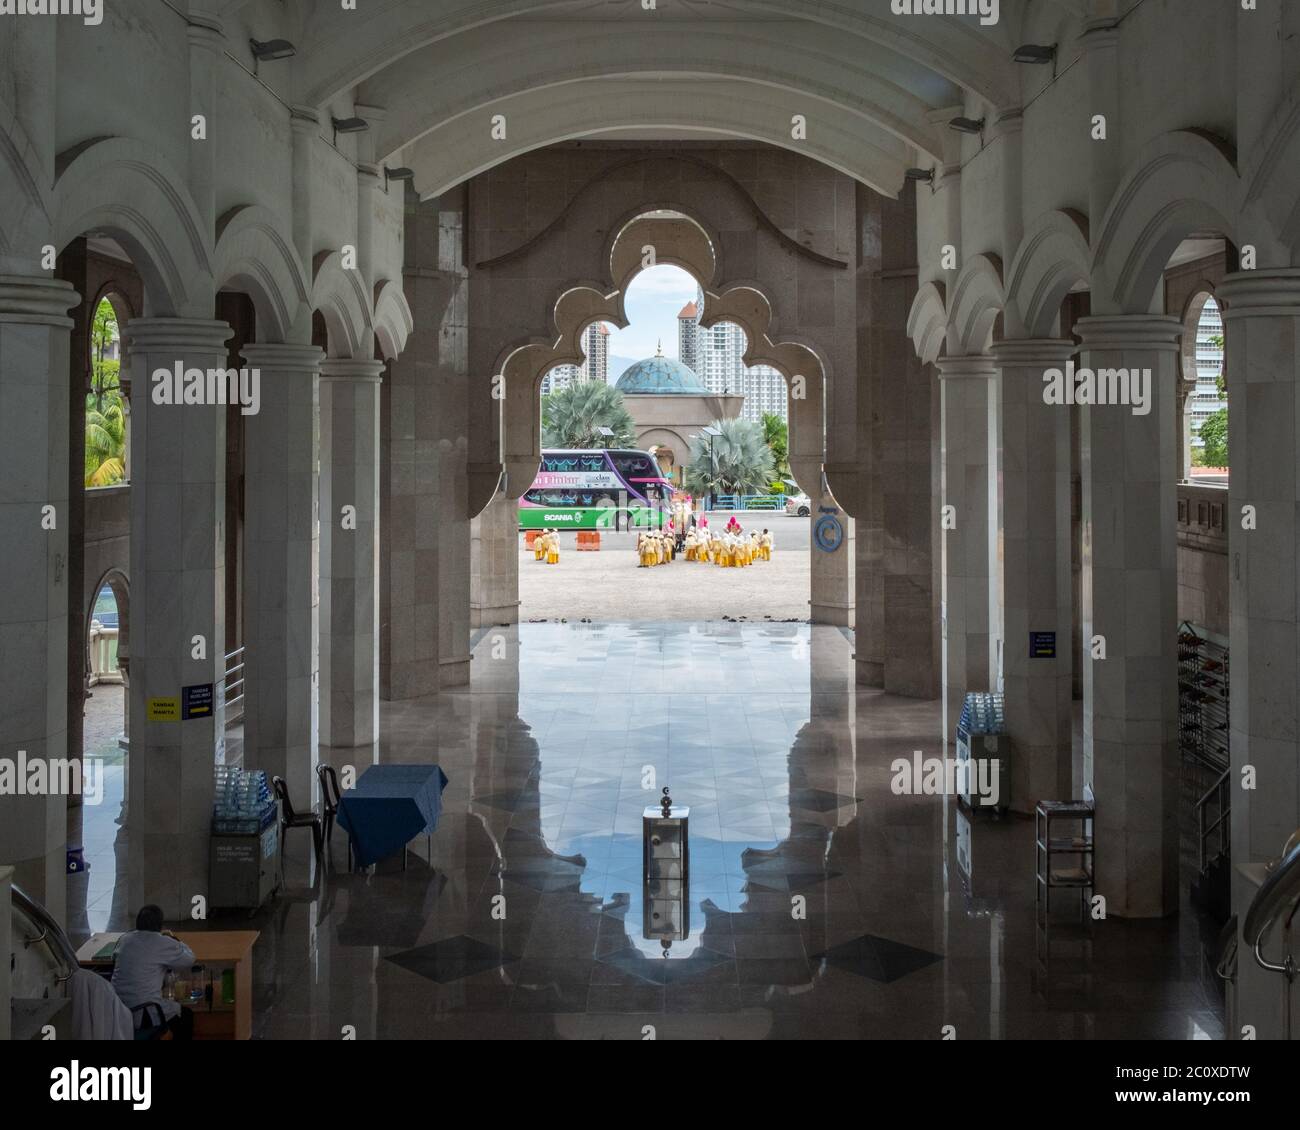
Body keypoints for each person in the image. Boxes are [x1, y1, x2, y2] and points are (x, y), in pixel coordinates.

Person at [111, 904, 196, 1039]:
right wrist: (178, 942)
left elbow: (114, 957)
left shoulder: (125, 939)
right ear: (160, 925)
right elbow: (189, 959)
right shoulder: (162, 942)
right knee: (186, 1016)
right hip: (144, 1012)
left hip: (118, 1010)